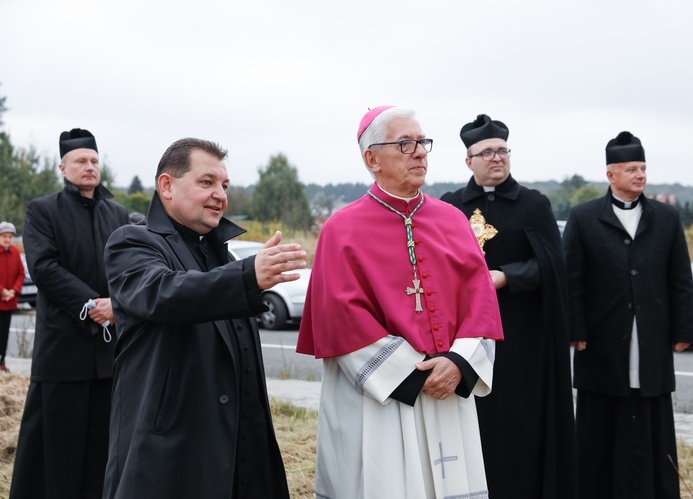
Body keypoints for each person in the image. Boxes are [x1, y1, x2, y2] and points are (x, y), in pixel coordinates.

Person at [297, 106, 504, 499]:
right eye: (405, 143)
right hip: (380, 396)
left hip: (447, 386)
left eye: (422, 142)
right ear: (372, 159)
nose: (420, 152)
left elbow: (480, 300)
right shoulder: (341, 229)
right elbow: (341, 315)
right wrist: (411, 373)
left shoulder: (453, 220)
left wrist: (458, 363)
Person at [103, 138, 304, 499]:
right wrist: (248, 276)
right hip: (172, 449)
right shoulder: (132, 243)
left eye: (224, 186)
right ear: (166, 185)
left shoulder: (219, 255)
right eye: (207, 182)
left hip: (239, 449)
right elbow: (165, 293)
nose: (220, 196)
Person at [441, 114, 577, 498]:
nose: (496, 158)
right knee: (475, 421)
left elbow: (553, 265)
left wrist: (506, 277)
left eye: (502, 150)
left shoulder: (534, 204)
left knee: (520, 421)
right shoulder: (451, 206)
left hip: (522, 337)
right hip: (468, 334)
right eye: (486, 152)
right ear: (469, 161)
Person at [562, 131, 693, 499]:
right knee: (601, 422)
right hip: (600, 342)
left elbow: (680, 277)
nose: (640, 175)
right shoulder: (584, 217)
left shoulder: (666, 217)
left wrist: (683, 328)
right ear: (611, 175)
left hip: (651, 336)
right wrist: (575, 328)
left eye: (643, 168)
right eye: (631, 169)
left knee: (651, 416)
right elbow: (571, 280)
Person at [10, 128, 129, 498]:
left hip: (108, 352)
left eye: (94, 160)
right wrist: (91, 304)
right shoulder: (42, 210)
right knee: (58, 447)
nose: (90, 167)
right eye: (81, 161)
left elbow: (127, 267)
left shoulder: (117, 212)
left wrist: (116, 305)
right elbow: (44, 268)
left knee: (103, 445)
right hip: (63, 349)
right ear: (63, 167)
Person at [0, 221, 25, 373]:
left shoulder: (16, 252)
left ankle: (2, 363)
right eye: (4, 236)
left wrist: (13, 291)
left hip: (9, 302)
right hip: (1, 297)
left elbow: (21, 274)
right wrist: (2, 291)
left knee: (4, 334)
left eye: (10, 236)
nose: (7, 239)